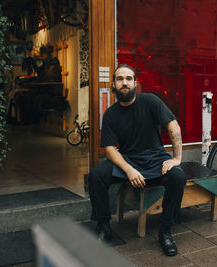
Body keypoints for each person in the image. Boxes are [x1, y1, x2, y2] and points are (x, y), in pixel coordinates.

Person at [88, 64, 186, 256]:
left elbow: (173, 126)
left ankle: (165, 231)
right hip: (128, 159)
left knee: (178, 178)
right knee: (96, 176)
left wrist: (177, 158)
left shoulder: (150, 101)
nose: (124, 82)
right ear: (113, 85)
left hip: (155, 158)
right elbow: (109, 150)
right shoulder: (110, 114)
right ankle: (104, 225)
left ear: (135, 83)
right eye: (120, 79)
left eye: (129, 78)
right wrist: (129, 170)